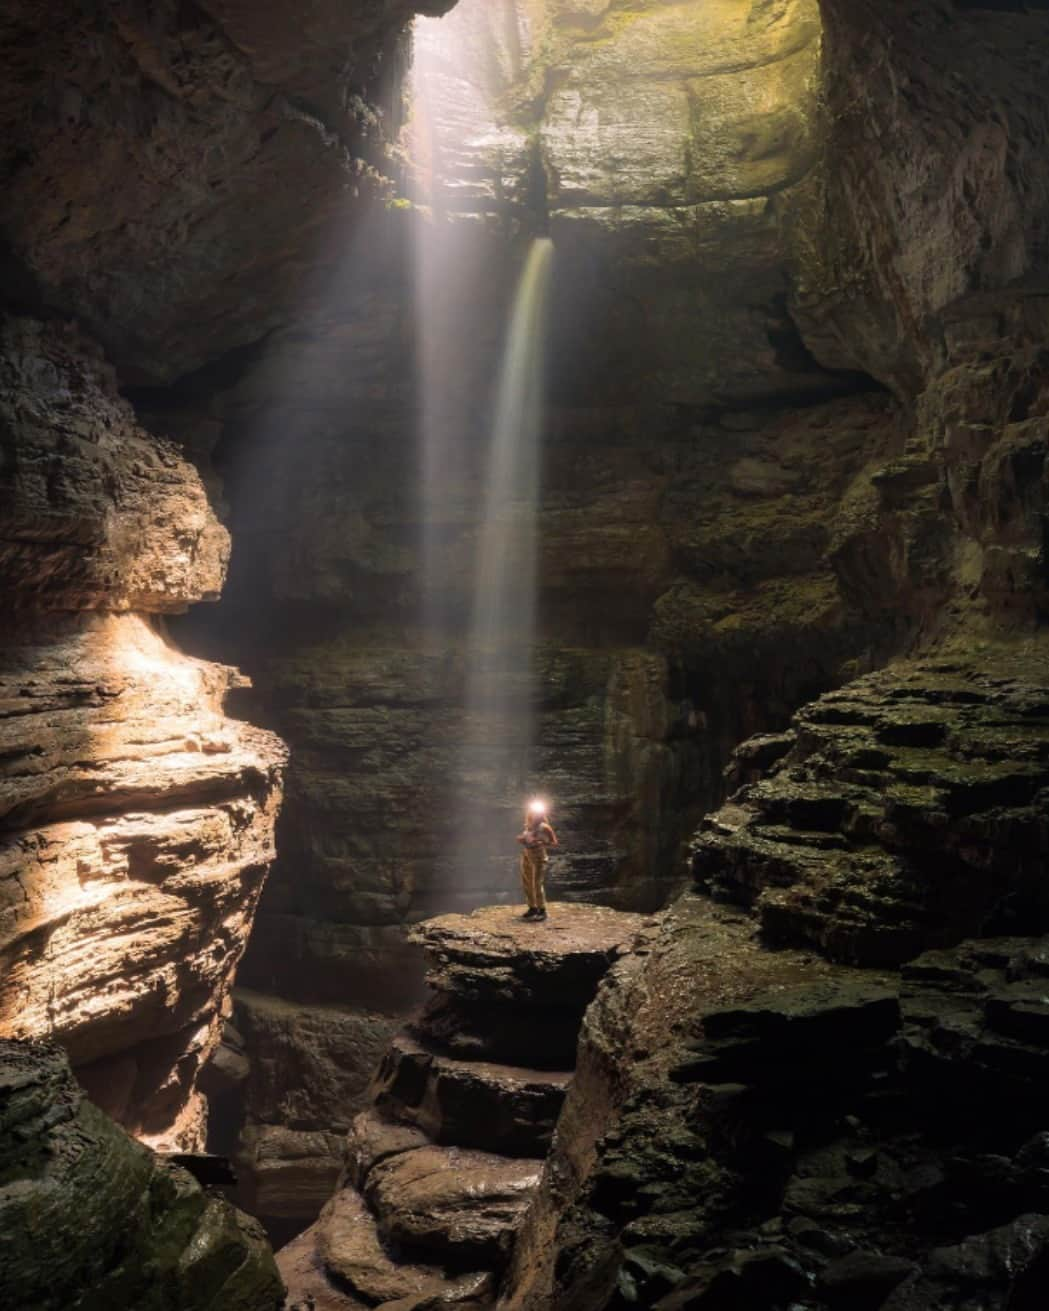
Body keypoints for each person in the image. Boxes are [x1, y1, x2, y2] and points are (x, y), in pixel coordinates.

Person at [517, 799, 558, 921]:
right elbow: (526, 838)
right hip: (527, 854)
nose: (534, 814)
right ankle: (532, 908)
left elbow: (554, 843)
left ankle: (542, 909)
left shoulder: (544, 827)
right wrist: (522, 839)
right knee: (527, 881)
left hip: (539, 856)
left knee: (536, 883)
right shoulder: (528, 825)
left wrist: (541, 842)